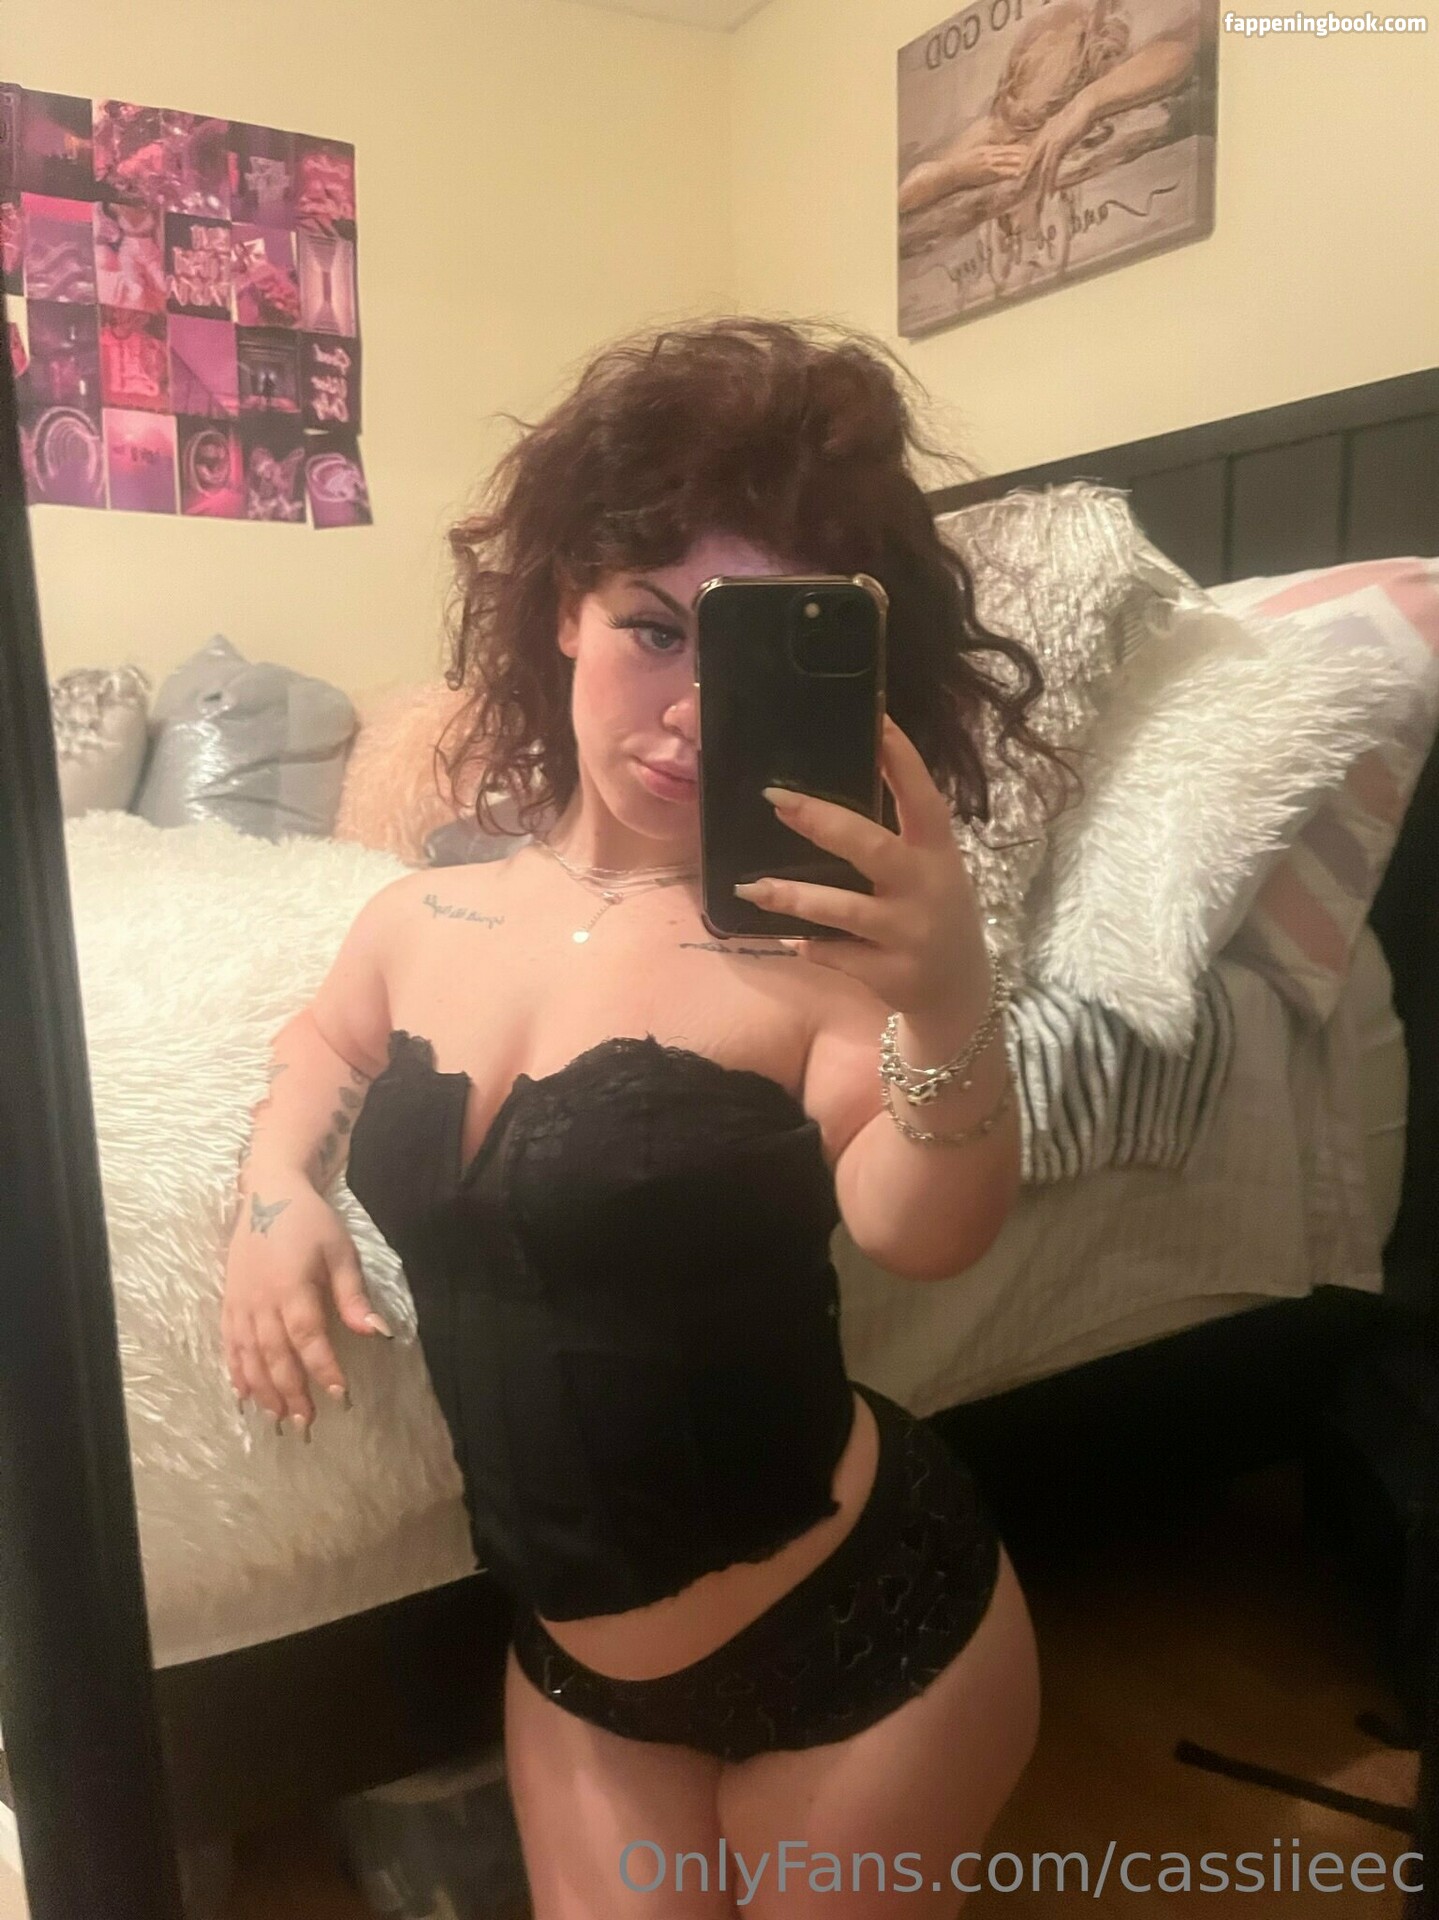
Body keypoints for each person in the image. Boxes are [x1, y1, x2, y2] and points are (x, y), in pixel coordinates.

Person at [222, 316, 1077, 1917]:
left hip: (865, 1642)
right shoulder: (420, 918)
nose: (687, 709)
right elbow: (323, 1042)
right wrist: (276, 1194)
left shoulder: (818, 954)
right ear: (564, 608)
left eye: (738, 654)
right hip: (578, 1685)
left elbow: (929, 1229)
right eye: (653, 628)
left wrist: (951, 1000)